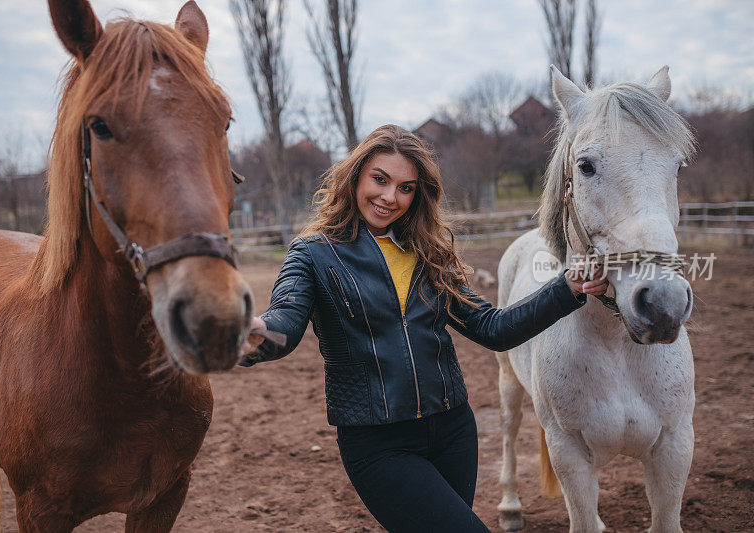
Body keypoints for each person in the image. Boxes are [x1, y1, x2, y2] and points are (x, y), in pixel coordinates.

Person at [239, 125, 608, 533]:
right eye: (380, 179)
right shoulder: (312, 254)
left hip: (453, 431)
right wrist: (256, 333)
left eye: (405, 188)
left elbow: (493, 328)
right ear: (356, 175)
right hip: (378, 444)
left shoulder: (428, 252)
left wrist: (567, 288)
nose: (389, 197)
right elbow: (284, 321)